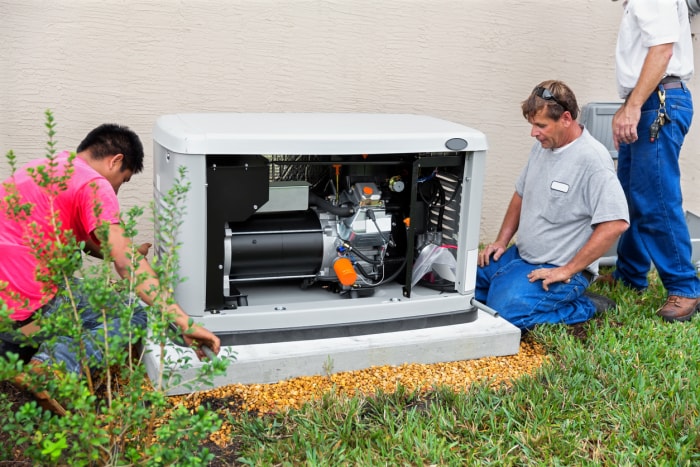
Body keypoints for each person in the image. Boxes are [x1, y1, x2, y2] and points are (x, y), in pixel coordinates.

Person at [0, 123, 221, 412]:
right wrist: (185, 322)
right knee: (138, 312)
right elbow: (127, 265)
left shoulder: (45, 168)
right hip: (28, 303)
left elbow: (82, 239)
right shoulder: (94, 184)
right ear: (115, 160)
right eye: (123, 180)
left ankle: (27, 349)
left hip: (7, 301)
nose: (116, 189)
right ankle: (49, 370)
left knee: (89, 302)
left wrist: (120, 249)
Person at [477, 80, 630, 330]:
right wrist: (501, 241)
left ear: (566, 118)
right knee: (463, 287)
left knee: (505, 315)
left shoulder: (592, 160)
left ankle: (585, 305)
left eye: (541, 125)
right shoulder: (543, 147)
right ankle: (512, 286)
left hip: (558, 268)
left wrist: (568, 270)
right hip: (520, 257)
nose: (534, 133)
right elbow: (520, 194)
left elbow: (615, 223)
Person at [606, 0, 698, 322]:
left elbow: (662, 50)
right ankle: (630, 275)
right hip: (650, 101)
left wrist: (632, 107)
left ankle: (685, 287)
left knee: (655, 197)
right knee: (631, 195)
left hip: (657, 102)